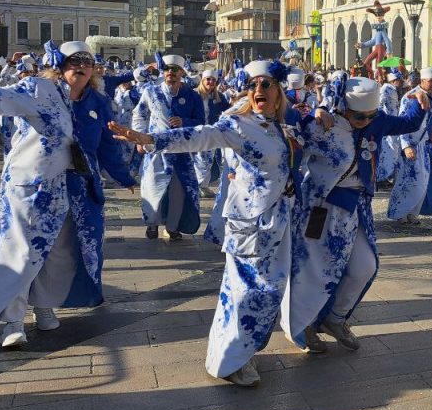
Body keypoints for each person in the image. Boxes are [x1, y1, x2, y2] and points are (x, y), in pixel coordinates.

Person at [0, 40, 136, 348]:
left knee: (58, 254)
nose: (81, 66)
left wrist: (123, 176)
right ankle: (13, 321)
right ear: (59, 65)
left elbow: (104, 143)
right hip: (32, 188)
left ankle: (44, 306)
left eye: (87, 62)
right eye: (74, 61)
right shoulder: (38, 90)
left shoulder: (95, 101)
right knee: (21, 253)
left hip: (72, 191)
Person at [109, 59, 299, 388]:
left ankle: (233, 354)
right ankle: (231, 361)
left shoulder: (281, 126)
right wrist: (151, 138)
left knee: (267, 292)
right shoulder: (238, 125)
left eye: (265, 84)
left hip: (278, 222)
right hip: (248, 224)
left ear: (279, 91)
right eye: (251, 85)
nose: (257, 90)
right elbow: (199, 136)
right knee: (249, 292)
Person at [284, 76, 431, 352]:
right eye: (358, 117)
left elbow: (408, 124)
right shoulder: (322, 125)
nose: (365, 122)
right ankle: (304, 326)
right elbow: (288, 132)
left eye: (370, 116)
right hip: (320, 208)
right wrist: (313, 111)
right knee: (314, 271)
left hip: (357, 208)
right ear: (343, 108)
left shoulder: (377, 121)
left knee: (365, 267)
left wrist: (421, 102)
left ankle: (335, 319)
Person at [133, 54, 205, 241]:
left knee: (178, 192)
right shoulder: (151, 92)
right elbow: (139, 115)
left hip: (181, 152)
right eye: (167, 70)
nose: (170, 73)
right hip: (156, 150)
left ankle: (173, 227)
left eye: (174, 70)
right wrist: (140, 139)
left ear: (182, 72)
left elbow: (201, 123)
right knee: (152, 187)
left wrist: (184, 121)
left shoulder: (192, 96)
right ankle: (152, 224)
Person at [387, 66, 432, 224]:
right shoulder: (410, 97)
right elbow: (403, 121)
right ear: (422, 80)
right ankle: (399, 213)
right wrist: (406, 145)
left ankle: (413, 214)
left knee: (422, 181)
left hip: (424, 146)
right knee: (407, 180)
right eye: (431, 81)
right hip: (410, 145)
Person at [193, 70, 232, 195]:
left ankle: (202, 185)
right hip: (194, 131)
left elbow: (228, 110)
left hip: (210, 133)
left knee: (207, 160)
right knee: (197, 159)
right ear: (203, 80)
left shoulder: (218, 96)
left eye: (213, 80)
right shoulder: (193, 94)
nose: (211, 82)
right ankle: (197, 185)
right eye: (208, 79)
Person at [375, 70, 404, 183]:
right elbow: (380, 105)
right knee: (388, 151)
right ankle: (383, 177)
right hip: (388, 125)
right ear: (394, 80)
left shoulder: (394, 90)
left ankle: (389, 176)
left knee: (394, 151)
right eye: (399, 80)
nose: (401, 83)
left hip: (394, 124)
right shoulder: (386, 88)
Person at [358, 1, 392, 75]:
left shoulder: (382, 28)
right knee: (365, 63)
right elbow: (373, 41)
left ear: (383, 15)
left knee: (379, 64)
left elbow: (387, 40)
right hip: (377, 48)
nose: (378, 16)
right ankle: (371, 75)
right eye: (376, 15)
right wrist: (362, 45)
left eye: (380, 14)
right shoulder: (378, 29)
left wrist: (389, 51)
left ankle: (381, 78)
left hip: (381, 48)